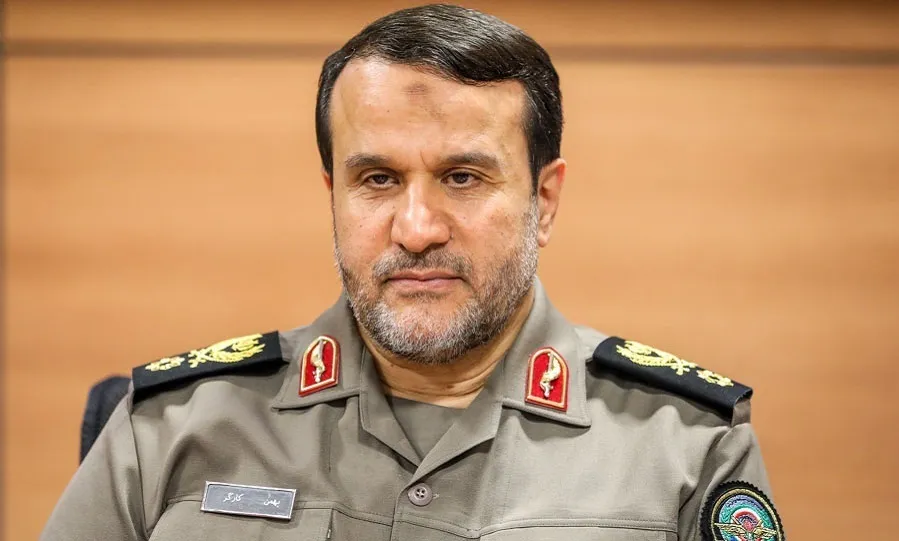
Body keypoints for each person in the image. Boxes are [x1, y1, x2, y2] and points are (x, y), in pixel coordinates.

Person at [41, 4, 783, 541]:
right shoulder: (166, 429)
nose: (417, 229)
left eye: (462, 177)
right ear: (332, 196)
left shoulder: (685, 449)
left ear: (544, 201)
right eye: (377, 179)